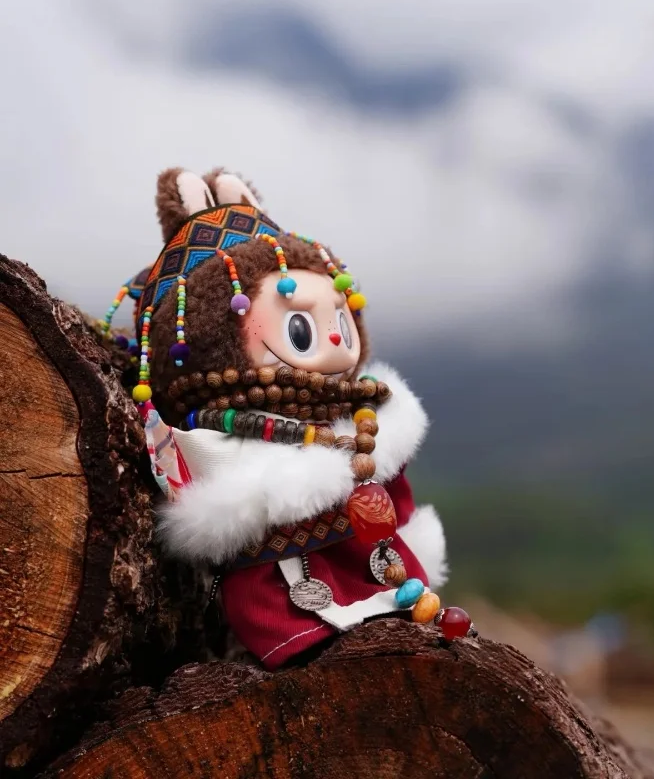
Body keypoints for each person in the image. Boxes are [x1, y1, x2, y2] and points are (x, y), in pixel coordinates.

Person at [101, 167, 471, 670]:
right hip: (283, 589)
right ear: (215, 337)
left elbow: (394, 500)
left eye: (341, 318)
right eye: (300, 327)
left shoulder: (366, 415)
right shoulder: (225, 436)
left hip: (385, 566)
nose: (335, 338)